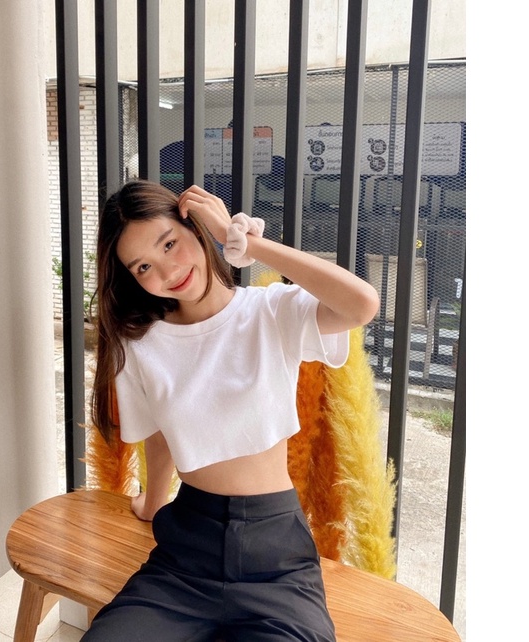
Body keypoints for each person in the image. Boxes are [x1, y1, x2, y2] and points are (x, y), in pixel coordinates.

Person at [84, 180, 379, 642]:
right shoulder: (141, 343)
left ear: (196, 228)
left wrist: (247, 244)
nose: (168, 270)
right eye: (143, 266)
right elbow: (159, 436)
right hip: (185, 557)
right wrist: (153, 502)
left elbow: (362, 304)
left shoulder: (270, 312)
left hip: (277, 560)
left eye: (170, 243)